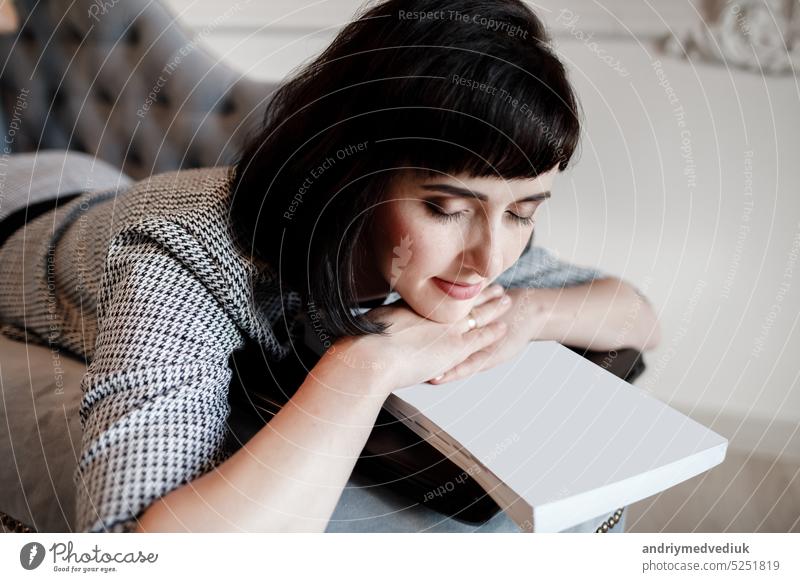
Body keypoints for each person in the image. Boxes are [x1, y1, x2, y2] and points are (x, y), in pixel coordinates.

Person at [0, 0, 659, 533]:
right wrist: (366, 364)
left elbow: (638, 316)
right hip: (22, 209)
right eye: (445, 206)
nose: (491, 258)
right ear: (355, 179)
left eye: (522, 211)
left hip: (101, 183)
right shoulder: (186, 256)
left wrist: (527, 313)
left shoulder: (472, 249)